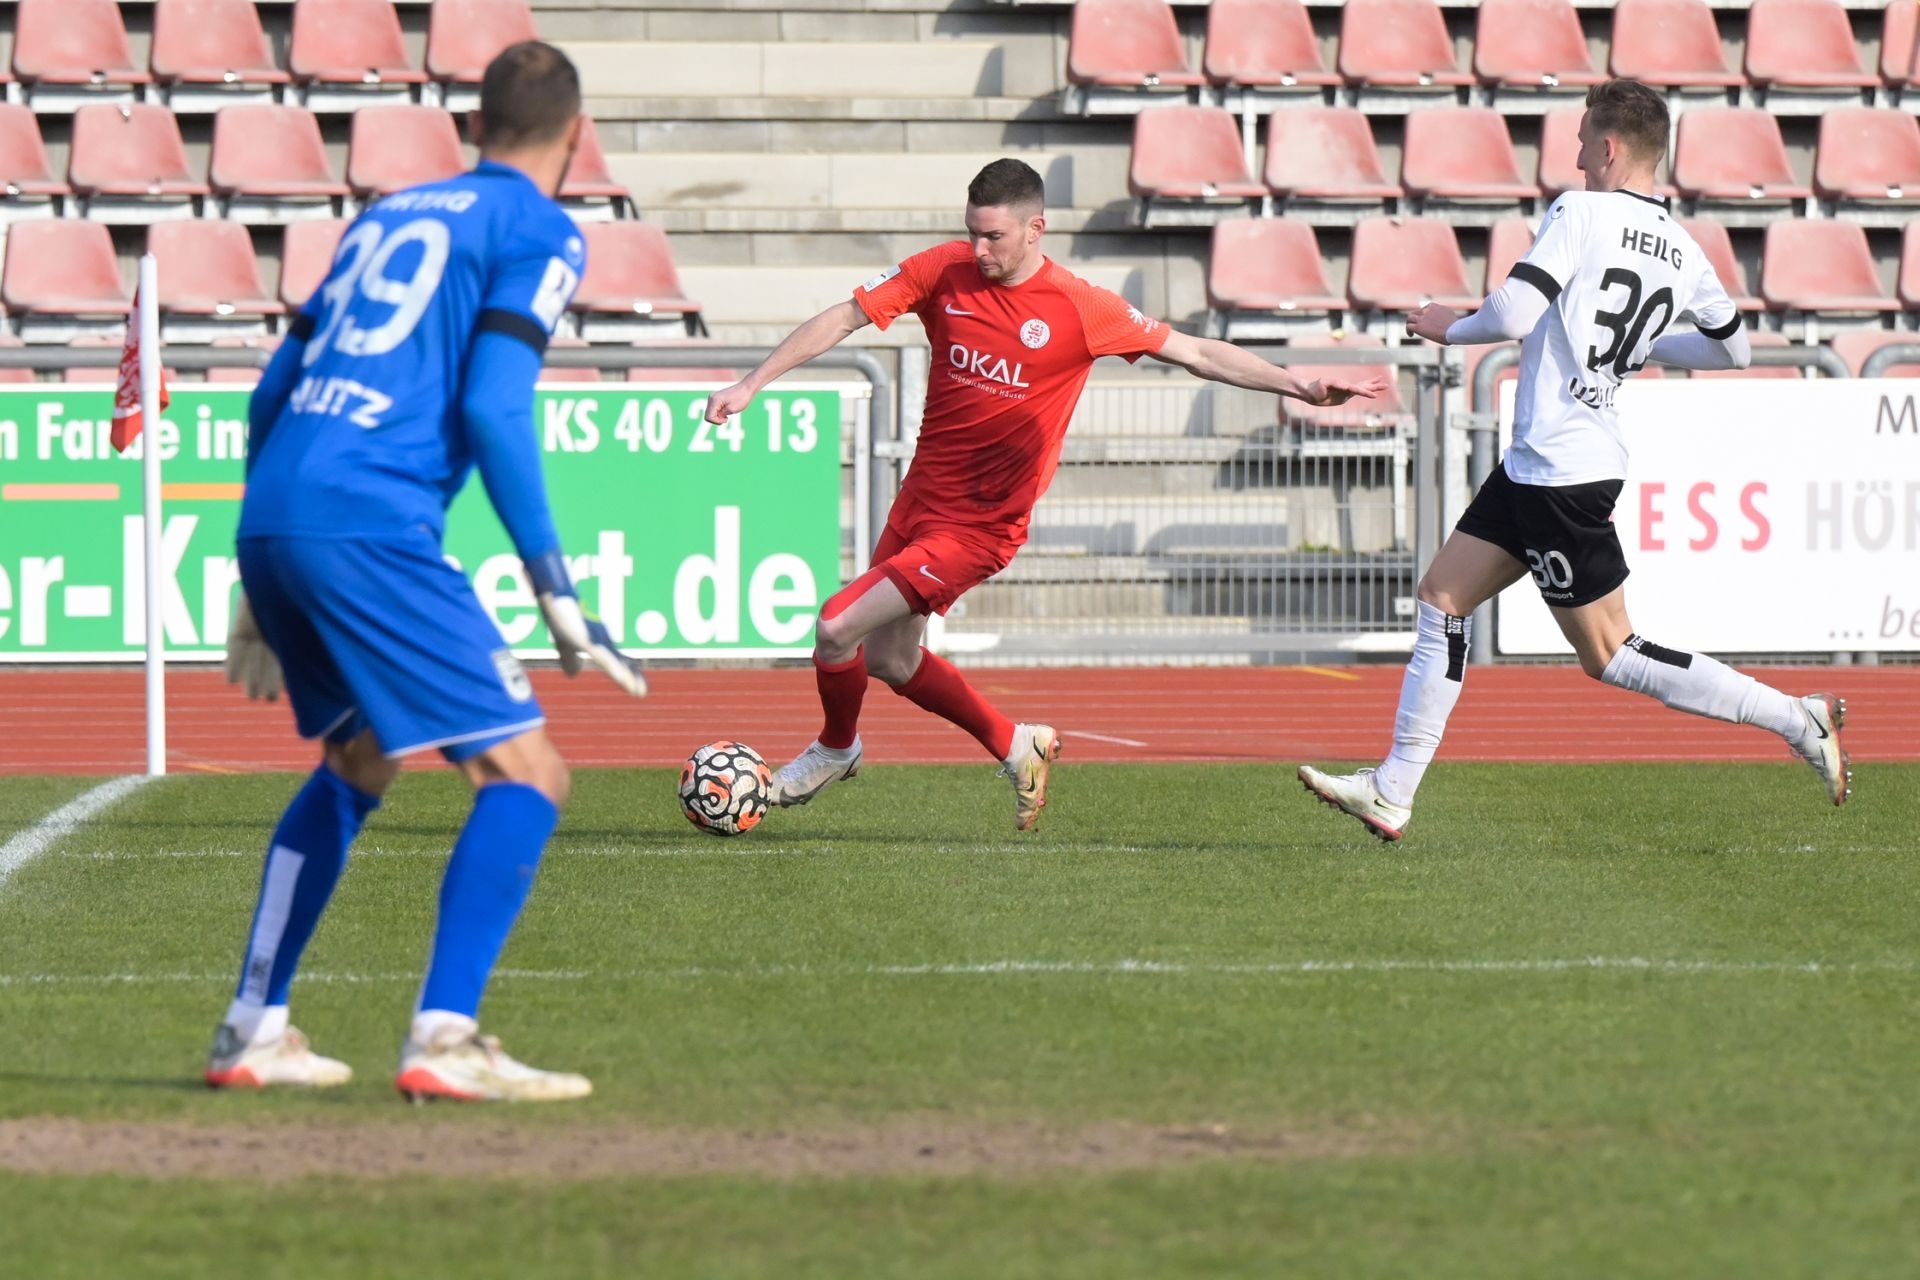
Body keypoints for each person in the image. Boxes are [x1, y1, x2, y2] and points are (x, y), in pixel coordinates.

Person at [204, 42, 645, 1100]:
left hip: (281, 507)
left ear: (474, 127)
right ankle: (445, 1038)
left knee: (358, 759)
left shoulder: (386, 214)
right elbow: (493, 403)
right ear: (578, 136)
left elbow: (270, 391)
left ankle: (251, 1029)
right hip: (371, 518)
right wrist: (552, 581)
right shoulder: (540, 226)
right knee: (526, 773)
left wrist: (252, 565)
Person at [705, 159, 1387, 830]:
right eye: (971, 232)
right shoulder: (942, 268)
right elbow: (844, 317)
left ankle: (836, 747)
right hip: (919, 503)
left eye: (993, 236)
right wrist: (751, 383)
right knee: (890, 658)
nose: (978, 249)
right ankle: (1014, 743)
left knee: (835, 626)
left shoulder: (1081, 307)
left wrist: (1300, 386)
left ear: (1036, 229)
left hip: (978, 529)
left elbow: (1197, 353)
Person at [1298, 79, 1850, 842]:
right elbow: (1735, 349)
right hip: (1543, 463)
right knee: (1443, 597)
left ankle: (1796, 718)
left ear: (1611, 148)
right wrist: (1639, 349)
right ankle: (1393, 789)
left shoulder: (1581, 212)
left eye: (1585, 142)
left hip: (1561, 469)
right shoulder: (1683, 247)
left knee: (1612, 653)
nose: (1577, 157)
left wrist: (1450, 326)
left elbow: (1514, 312)